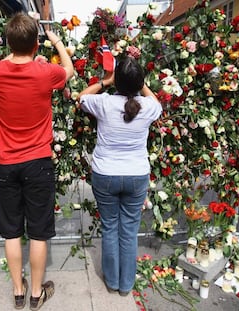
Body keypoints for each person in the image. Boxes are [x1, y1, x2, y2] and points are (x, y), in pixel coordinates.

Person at [0, 12, 74, 311]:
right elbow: (69, 71)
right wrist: (58, 42)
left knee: (11, 231)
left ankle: (17, 292)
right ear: (36, 43)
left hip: (7, 163)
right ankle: (36, 294)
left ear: (8, 41)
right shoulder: (45, 72)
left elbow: (8, 58)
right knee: (38, 231)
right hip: (38, 161)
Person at [78, 56, 162, 296]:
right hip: (136, 175)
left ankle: (112, 281)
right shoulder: (148, 107)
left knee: (110, 227)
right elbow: (155, 101)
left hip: (106, 175)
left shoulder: (104, 103)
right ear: (140, 83)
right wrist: (141, 84)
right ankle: (126, 285)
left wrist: (106, 82)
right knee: (128, 230)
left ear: (117, 82)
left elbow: (81, 96)